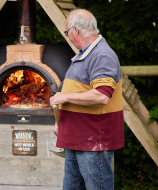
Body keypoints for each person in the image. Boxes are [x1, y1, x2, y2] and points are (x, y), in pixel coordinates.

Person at [49, 9, 124, 190]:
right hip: (77, 137)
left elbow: (102, 95)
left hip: (93, 141)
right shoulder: (85, 54)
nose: (68, 37)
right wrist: (61, 123)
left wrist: (64, 96)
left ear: (75, 31)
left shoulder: (101, 55)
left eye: (67, 32)